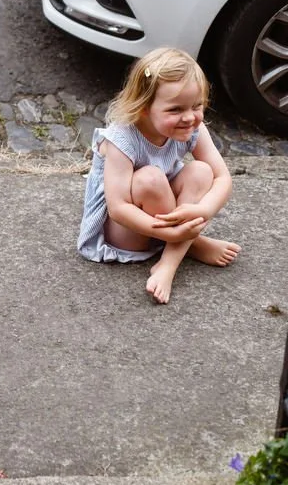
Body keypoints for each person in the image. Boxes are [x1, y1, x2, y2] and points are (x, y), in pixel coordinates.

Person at [77, 47, 241, 304]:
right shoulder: (122, 138)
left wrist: (204, 211)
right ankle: (189, 244)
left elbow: (223, 178)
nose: (189, 117)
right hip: (127, 230)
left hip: (162, 214)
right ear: (143, 108)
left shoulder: (193, 127)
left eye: (197, 106)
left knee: (202, 171)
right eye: (175, 110)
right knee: (150, 177)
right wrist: (170, 234)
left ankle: (168, 262)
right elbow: (118, 208)